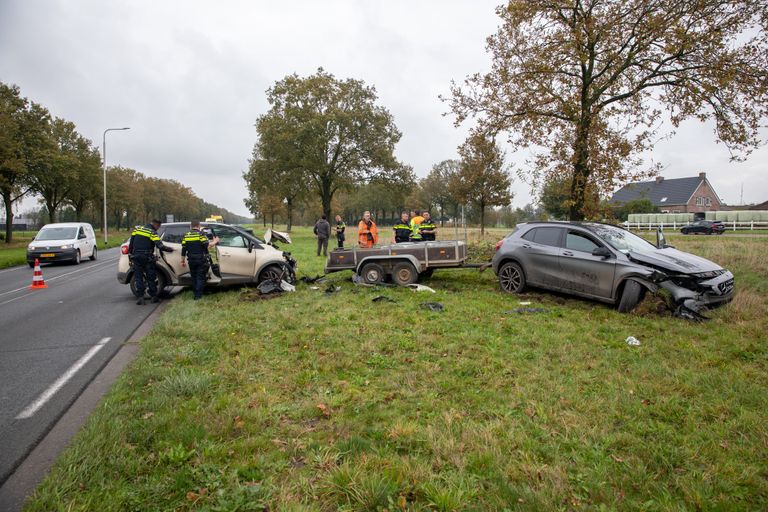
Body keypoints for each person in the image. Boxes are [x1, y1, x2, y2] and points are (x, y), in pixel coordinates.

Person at [128, 219, 174, 305]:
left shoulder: (137, 230)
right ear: (156, 224)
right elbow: (159, 245)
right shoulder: (152, 232)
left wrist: (130, 255)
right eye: (158, 227)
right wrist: (169, 249)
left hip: (136, 256)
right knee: (150, 276)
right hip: (147, 257)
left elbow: (131, 244)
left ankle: (141, 297)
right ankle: (153, 297)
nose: (158, 229)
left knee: (138, 277)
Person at [181, 220, 219, 300]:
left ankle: (196, 294)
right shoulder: (201, 234)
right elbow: (207, 245)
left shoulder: (186, 235)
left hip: (191, 260)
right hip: (200, 260)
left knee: (194, 277)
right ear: (198, 226)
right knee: (200, 277)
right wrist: (215, 241)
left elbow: (184, 249)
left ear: (191, 226)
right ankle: (198, 296)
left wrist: (182, 260)